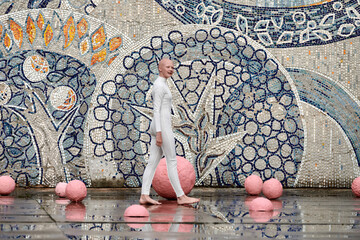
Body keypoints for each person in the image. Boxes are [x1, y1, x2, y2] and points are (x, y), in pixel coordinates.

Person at [139, 58, 200, 205]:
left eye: (173, 67)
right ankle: (181, 196)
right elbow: (156, 110)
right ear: (160, 68)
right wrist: (159, 132)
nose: (171, 69)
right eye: (168, 67)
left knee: (152, 162)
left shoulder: (162, 84)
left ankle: (144, 195)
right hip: (162, 126)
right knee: (172, 160)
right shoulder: (159, 86)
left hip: (159, 126)